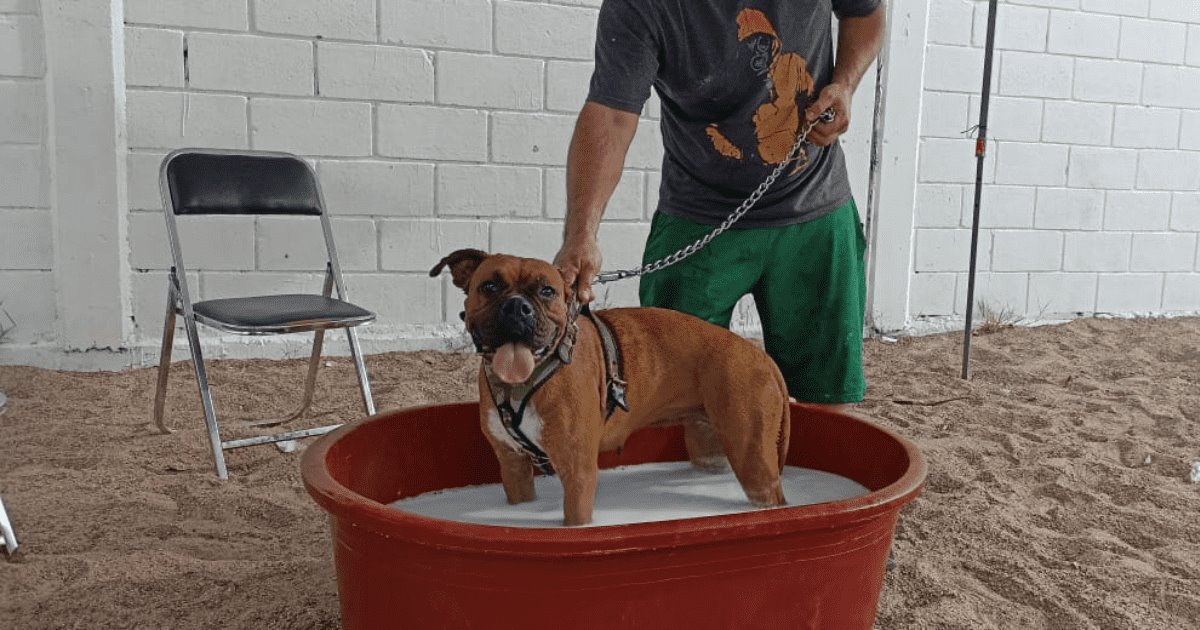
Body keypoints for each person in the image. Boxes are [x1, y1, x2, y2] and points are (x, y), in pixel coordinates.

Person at [553, 0, 885, 408]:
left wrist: (845, 84)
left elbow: (866, 12)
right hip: (698, 212)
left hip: (813, 204)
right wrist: (582, 233)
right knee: (680, 403)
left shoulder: (789, 69)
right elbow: (610, 116)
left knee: (828, 405)